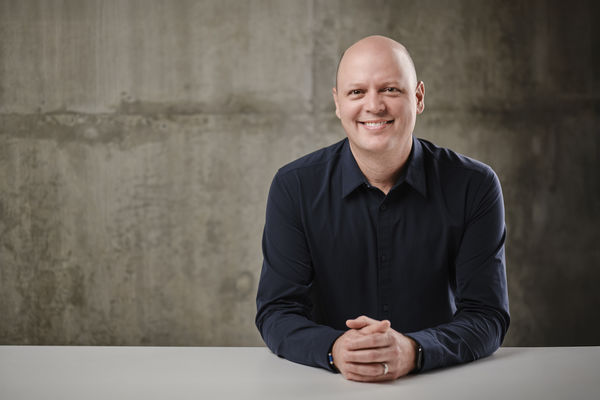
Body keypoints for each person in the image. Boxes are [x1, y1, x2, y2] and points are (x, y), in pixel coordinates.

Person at [255, 35, 509, 382]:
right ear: (338, 103)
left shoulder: (474, 185)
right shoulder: (294, 187)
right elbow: (277, 311)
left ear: (418, 97)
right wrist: (335, 348)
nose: (373, 106)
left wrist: (413, 350)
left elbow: (487, 315)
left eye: (390, 89)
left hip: (440, 383)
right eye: (356, 92)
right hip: (325, 385)